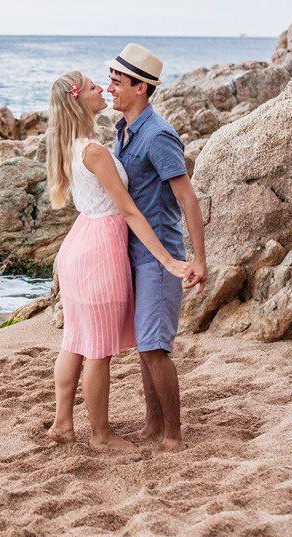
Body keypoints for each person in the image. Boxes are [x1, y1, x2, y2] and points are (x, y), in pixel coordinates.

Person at [45, 70, 189, 451]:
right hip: (100, 248)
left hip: (79, 243)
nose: (103, 90)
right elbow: (128, 212)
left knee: (74, 340)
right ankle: (100, 435)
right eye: (94, 87)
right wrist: (168, 259)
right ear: (79, 100)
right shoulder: (94, 151)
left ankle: (62, 424)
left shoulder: (73, 145)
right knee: (97, 349)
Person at [106, 43, 207, 453]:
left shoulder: (159, 135)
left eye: (117, 81)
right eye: (110, 80)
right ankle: (152, 424)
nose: (110, 87)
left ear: (141, 88)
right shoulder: (124, 130)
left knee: (154, 348)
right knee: (146, 346)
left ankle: (174, 435)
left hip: (160, 256)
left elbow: (189, 199)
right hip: (132, 253)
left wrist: (198, 259)